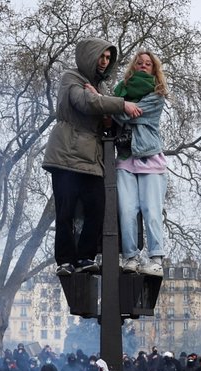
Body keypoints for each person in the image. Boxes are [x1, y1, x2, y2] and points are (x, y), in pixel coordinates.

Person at [42, 37, 141, 276]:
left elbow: (105, 119)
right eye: (101, 56)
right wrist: (121, 104)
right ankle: (65, 261)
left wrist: (109, 111)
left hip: (92, 158)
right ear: (89, 56)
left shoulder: (101, 89)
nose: (105, 62)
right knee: (65, 211)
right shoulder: (71, 78)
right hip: (66, 154)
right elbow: (84, 102)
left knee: (97, 208)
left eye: (108, 58)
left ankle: (86, 257)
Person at [112, 51, 169, 276]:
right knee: (126, 210)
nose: (144, 66)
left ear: (154, 69)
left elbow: (129, 116)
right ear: (134, 66)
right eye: (140, 63)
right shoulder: (121, 92)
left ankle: (155, 258)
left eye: (148, 64)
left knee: (151, 210)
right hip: (126, 158)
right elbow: (119, 111)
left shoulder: (157, 95)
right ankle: (130, 257)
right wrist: (120, 105)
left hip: (149, 157)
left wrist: (118, 107)